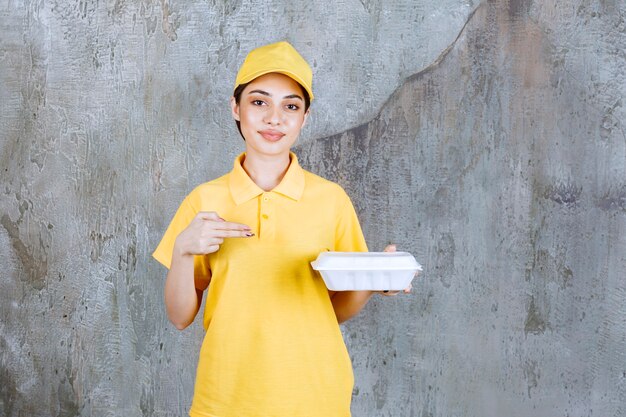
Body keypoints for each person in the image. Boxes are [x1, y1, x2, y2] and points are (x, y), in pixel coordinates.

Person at [152, 41, 411, 417]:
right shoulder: (205, 201)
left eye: (291, 106)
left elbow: (331, 311)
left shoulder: (331, 200)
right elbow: (179, 317)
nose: (275, 118)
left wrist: (375, 279)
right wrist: (182, 250)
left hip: (316, 397)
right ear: (235, 108)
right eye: (259, 102)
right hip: (225, 400)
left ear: (304, 117)